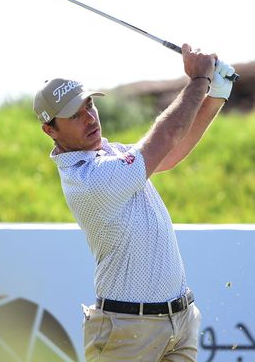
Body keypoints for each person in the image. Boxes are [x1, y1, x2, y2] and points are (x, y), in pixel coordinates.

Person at [33, 44, 236, 361]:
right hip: (126, 333)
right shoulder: (89, 178)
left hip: (179, 321)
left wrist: (215, 96)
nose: (89, 118)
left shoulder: (108, 155)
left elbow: (166, 155)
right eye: (74, 115)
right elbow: (165, 136)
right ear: (50, 130)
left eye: (89, 106)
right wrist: (199, 81)